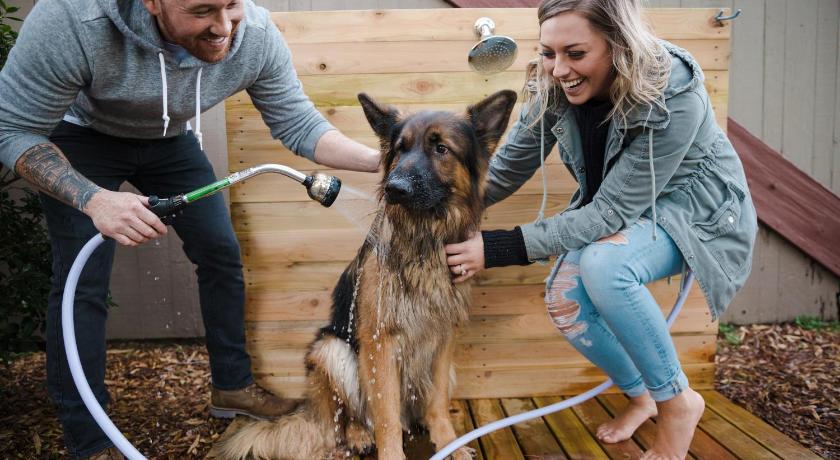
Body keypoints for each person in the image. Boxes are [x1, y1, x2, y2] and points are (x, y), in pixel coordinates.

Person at [0, 0, 379, 458]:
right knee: (83, 281)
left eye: (232, 5)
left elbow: (299, 124)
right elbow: (13, 130)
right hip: (80, 140)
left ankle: (231, 386)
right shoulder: (73, 19)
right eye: (203, 11)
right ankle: (89, 435)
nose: (224, 27)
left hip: (168, 142)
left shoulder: (253, 33)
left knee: (219, 250)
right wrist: (93, 199)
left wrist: (386, 161)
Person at [444, 0, 757, 458]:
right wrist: (444, 208)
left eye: (575, 53)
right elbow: (510, 165)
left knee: (605, 266)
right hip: (621, 205)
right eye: (548, 53)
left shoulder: (672, 91)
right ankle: (642, 396)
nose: (558, 69)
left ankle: (677, 402)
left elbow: (610, 212)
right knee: (565, 299)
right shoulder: (553, 80)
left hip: (696, 213)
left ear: (619, 45)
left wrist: (496, 247)